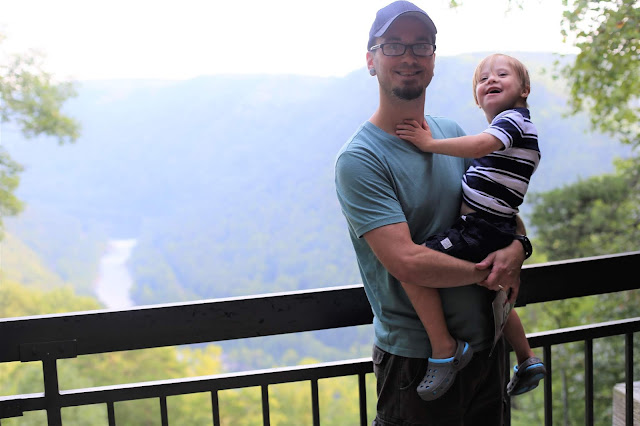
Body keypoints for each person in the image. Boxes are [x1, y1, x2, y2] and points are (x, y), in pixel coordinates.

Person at [335, 1, 528, 423]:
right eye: (393, 46)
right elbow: (407, 261)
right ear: (371, 60)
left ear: (434, 61)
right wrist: (489, 271)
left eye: (421, 46)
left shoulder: (452, 135)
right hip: (417, 362)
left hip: (486, 347)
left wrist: (518, 248)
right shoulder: (361, 159)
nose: (409, 56)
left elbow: (498, 208)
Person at [395, 53, 545, 401]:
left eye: (502, 74)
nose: (491, 80)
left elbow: (481, 145)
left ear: (524, 89)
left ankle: (444, 349)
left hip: (479, 229)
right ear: (477, 98)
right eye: (483, 79)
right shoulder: (514, 127)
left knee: (413, 265)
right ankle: (526, 358)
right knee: (495, 292)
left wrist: (428, 144)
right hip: (496, 226)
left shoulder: (513, 122)